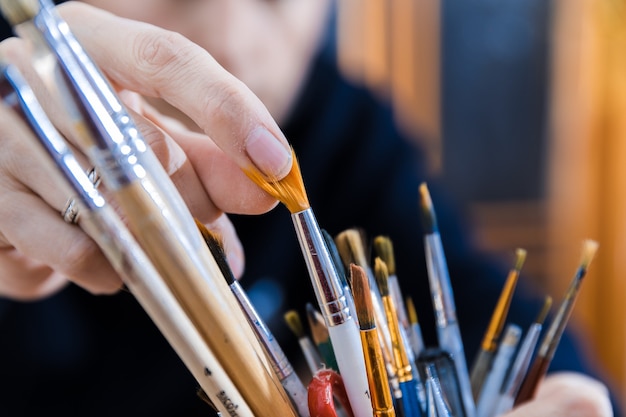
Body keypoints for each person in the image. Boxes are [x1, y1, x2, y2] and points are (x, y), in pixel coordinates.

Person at [0, 1, 617, 416]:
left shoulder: (346, 132)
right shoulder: (14, 109)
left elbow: (528, 361)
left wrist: (569, 399)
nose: (231, 38)